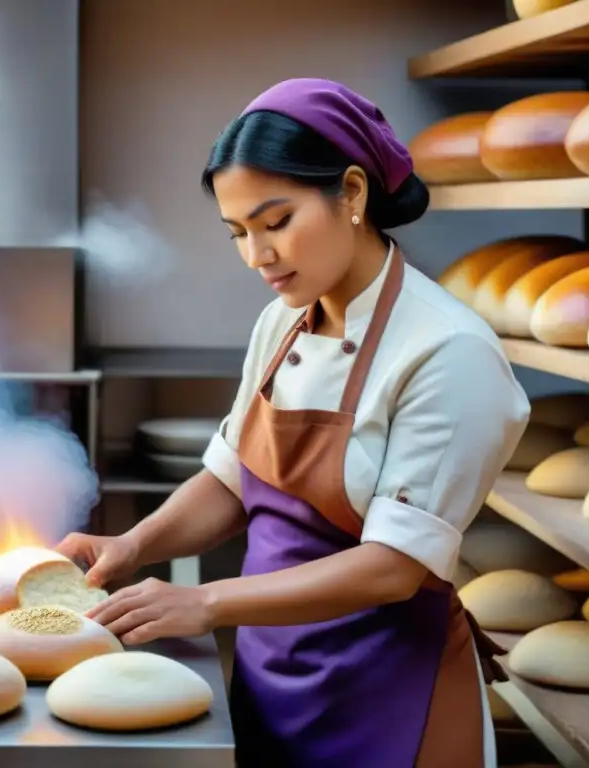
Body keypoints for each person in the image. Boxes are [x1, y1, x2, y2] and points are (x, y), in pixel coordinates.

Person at [58, 77, 531, 768]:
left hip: (385, 696)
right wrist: (134, 544)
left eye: (275, 222)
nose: (258, 256)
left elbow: (394, 569)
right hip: (274, 675)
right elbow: (230, 480)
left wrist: (207, 601)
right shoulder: (281, 322)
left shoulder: (448, 351)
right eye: (238, 233)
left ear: (353, 194)